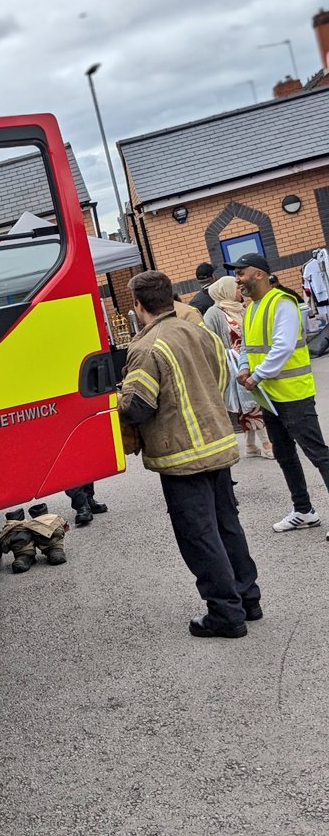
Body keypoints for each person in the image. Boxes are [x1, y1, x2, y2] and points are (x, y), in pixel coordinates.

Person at [119, 270, 260, 639]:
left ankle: (225, 614)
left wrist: (118, 401)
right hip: (217, 445)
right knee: (227, 526)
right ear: (171, 297)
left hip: (181, 455)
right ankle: (248, 599)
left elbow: (138, 406)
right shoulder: (199, 332)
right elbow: (220, 379)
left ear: (138, 306)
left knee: (199, 536)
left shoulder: (147, 347)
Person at [228, 252, 329, 535]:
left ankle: (304, 509)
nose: (237, 279)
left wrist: (256, 375)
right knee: (284, 454)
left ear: (259, 274)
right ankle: (304, 510)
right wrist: (244, 367)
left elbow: (283, 347)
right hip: (269, 396)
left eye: (241, 273)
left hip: (293, 394)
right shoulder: (252, 308)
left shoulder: (282, 302)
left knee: (318, 454)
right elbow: (247, 346)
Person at [203, 276, 274, 459]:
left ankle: (250, 446)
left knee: (249, 403)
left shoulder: (241, 308)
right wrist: (227, 353)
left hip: (249, 361)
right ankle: (266, 443)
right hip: (232, 366)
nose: (239, 290)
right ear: (225, 291)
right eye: (235, 288)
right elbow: (208, 341)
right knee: (252, 402)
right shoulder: (213, 313)